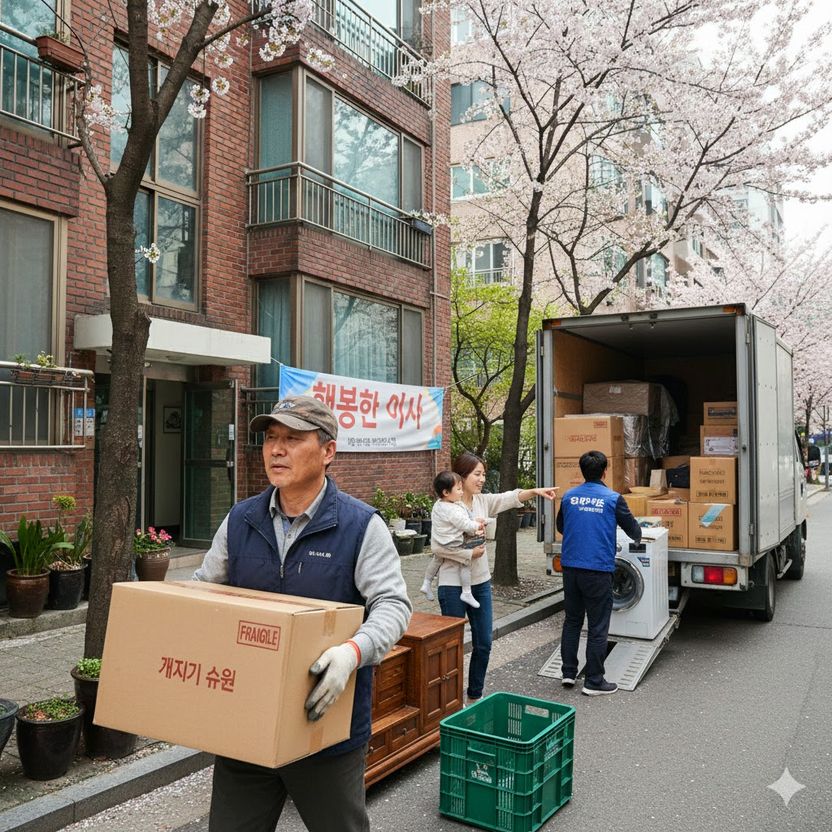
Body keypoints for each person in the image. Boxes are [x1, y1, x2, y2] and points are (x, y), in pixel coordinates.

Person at [193, 395, 412, 832]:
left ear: (328, 451)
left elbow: (393, 605)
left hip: (325, 730)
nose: (276, 449)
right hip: (245, 725)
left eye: (293, 439)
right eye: (271, 438)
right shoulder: (240, 520)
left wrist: (353, 652)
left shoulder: (359, 525)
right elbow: (202, 593)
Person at [432, 452, 558, 703]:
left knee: (484, 642)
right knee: (452, 646)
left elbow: (509, 498)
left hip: (479, 583)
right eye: (477, 474)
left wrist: (534, 491)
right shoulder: (446, 507)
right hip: (451, 585)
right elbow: (437, 548)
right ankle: (450, 700)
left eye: (483, 475)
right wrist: (467, 554)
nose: (481, 479)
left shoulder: (482, 501)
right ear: (462, 476)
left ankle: (475, 695)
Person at [556, 449, 641, 696]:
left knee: (572, 621)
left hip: (571, 568)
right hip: (598, 569)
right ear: (605, 471)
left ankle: (569, 673)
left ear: (582, 471)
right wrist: (637, 536)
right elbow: (632, 528)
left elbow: (563, 526)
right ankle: (594, 680)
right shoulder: (613, 499)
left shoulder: (570, 497)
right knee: (597, 625)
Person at [421, 470, 487, 608]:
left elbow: (462, 518)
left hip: (440, 541)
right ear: (446, 492)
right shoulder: (452, 509)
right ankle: (467, 592)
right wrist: (477, 525)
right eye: (458, 489)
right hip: (453, 543)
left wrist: (473, 520)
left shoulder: (439, 505)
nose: (462, 492)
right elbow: (465, 524)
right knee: (465, 562)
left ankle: (426, 583)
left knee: (437, 559)